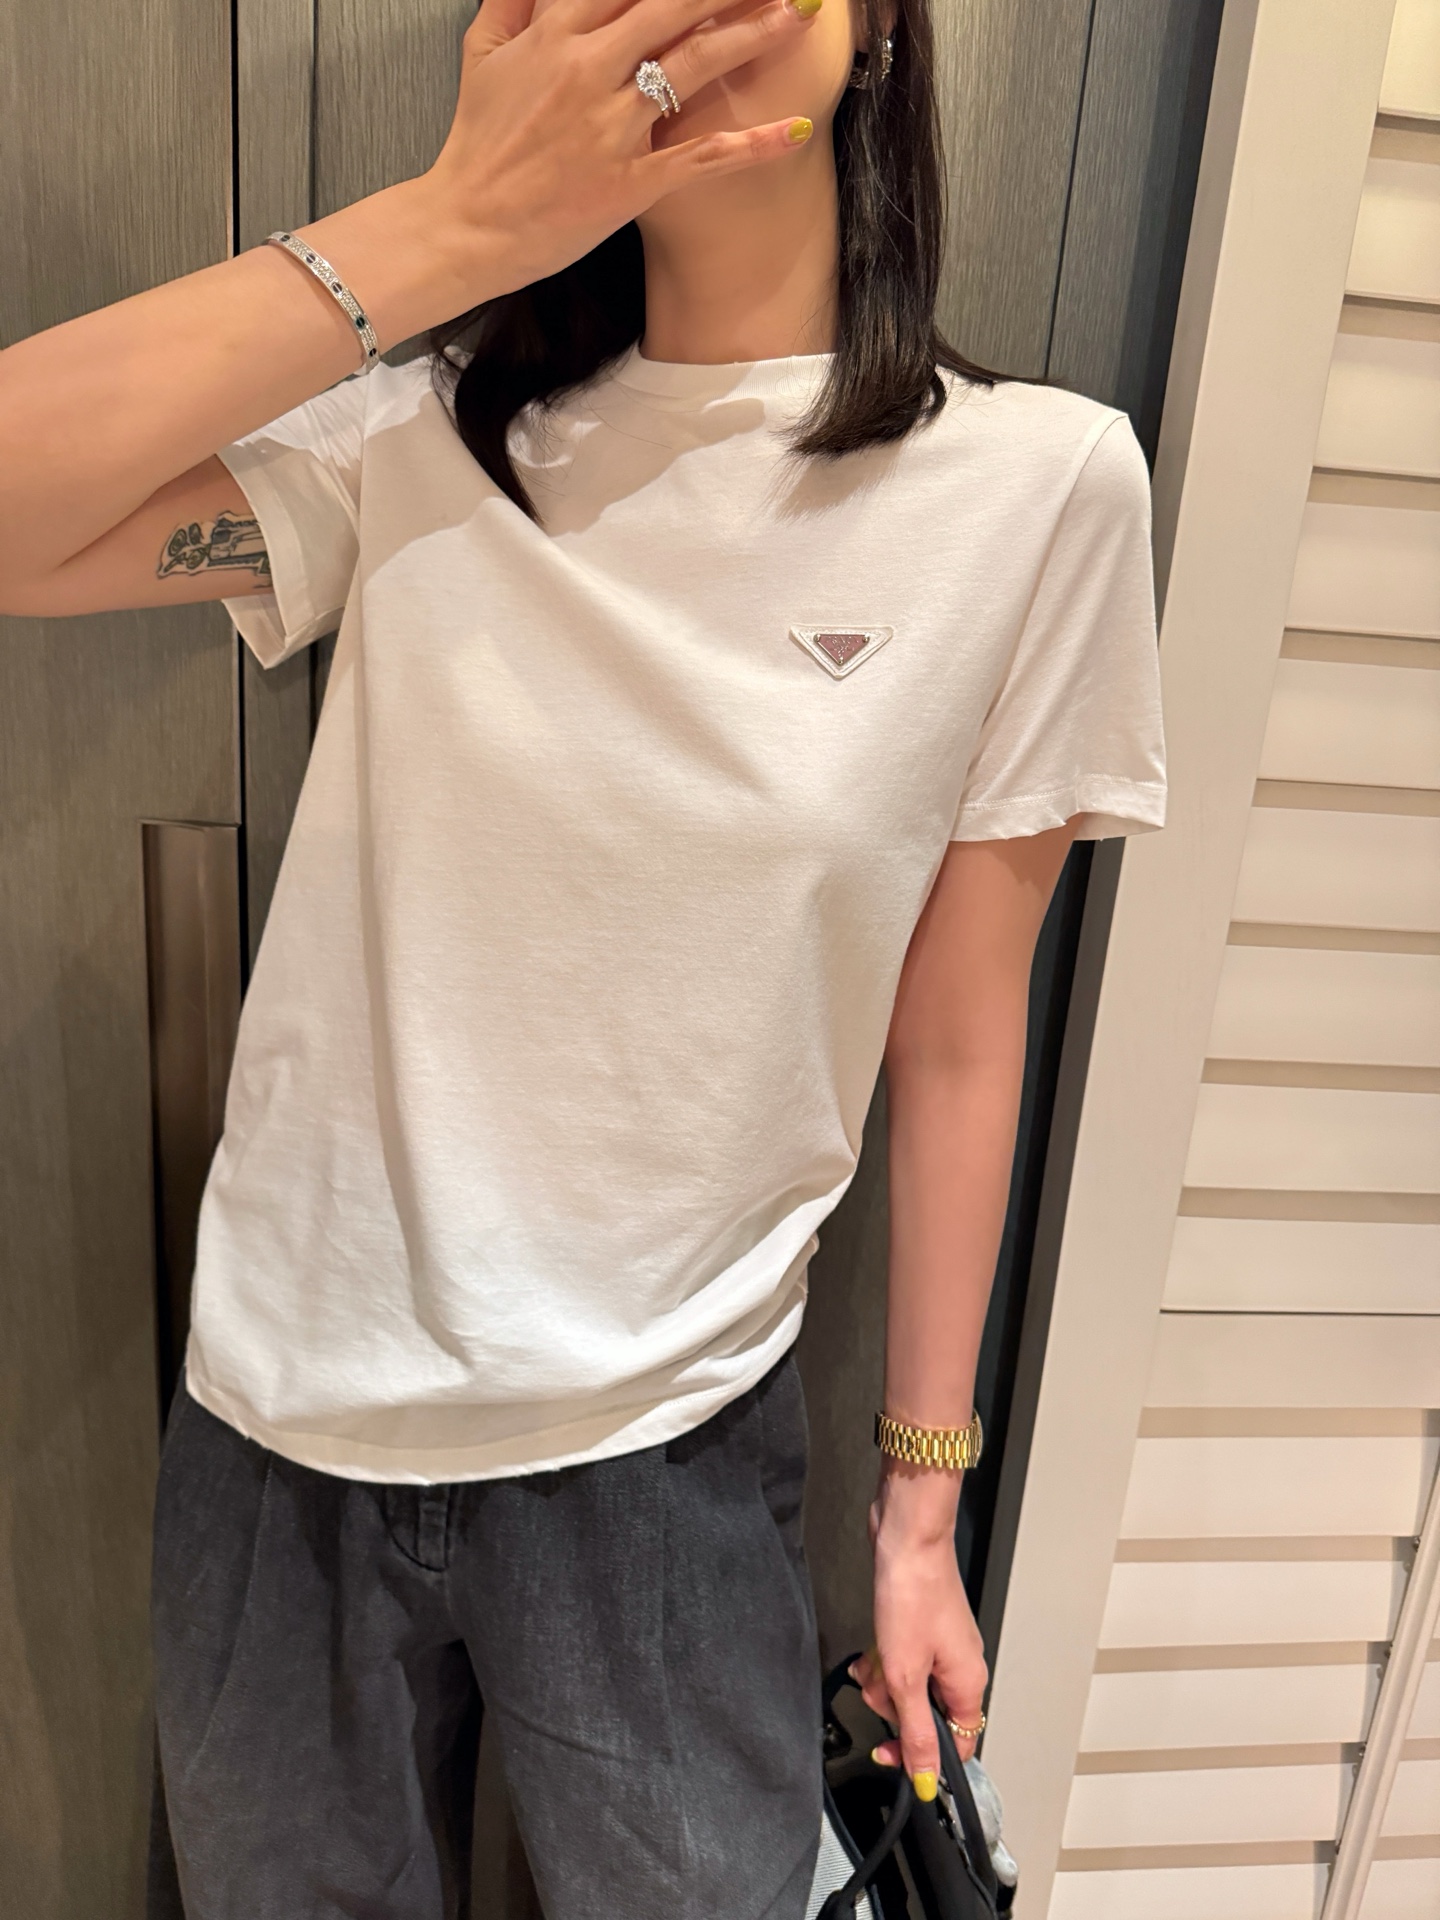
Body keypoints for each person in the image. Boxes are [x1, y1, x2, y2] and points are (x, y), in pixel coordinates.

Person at [0, 0, 1166, 1907]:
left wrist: (920, 1517)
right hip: (282, 1421)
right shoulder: (418, 434)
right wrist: (450, 227)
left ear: (879, 29)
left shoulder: (1039, 491)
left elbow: (959, 1036)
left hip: (667, 1450)